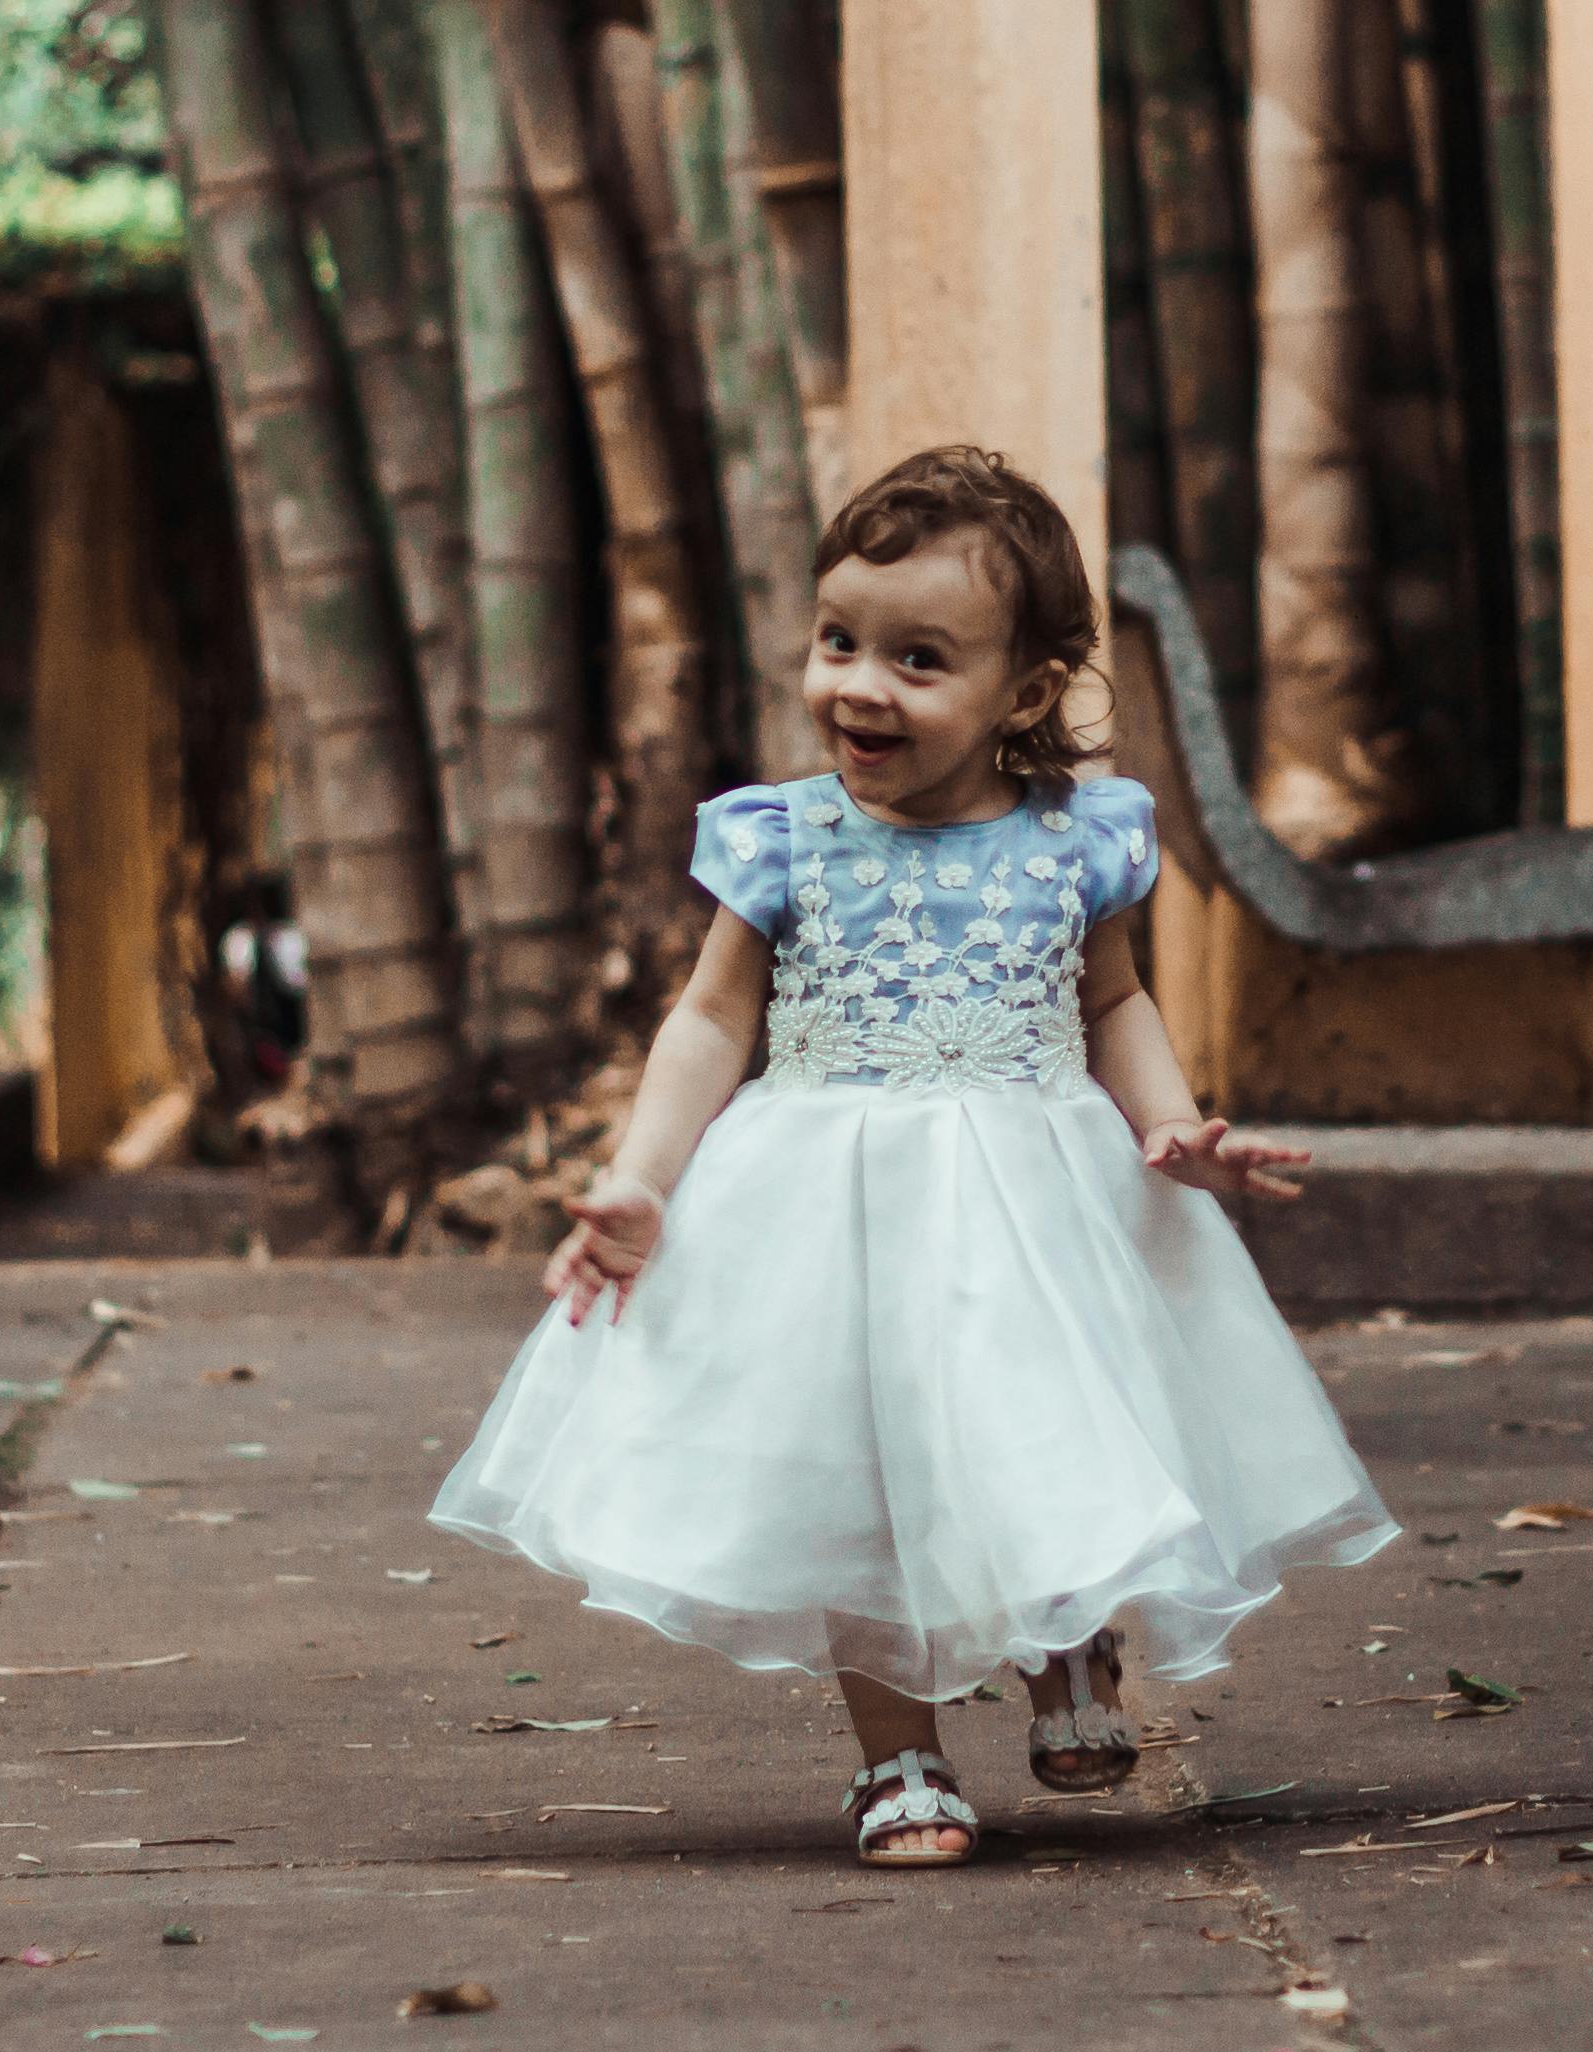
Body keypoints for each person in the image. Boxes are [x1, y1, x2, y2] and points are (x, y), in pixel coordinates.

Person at [431, 447, 1399, 1866]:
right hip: (830, 1208)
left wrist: (1168, 1123)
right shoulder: (786, 838)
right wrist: (642, 1177)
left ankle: (1069, 1649)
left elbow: (1111, 1001)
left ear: (1026, 693)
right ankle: (900, 1762)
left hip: (1035, 1192)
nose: (860, 687)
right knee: (856, 1480)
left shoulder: (1077, 837)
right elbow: (712, 1019)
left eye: (919, 659)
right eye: (839, 641)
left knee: (1044, 1428)